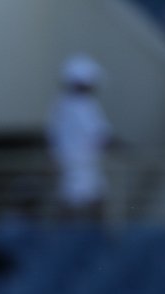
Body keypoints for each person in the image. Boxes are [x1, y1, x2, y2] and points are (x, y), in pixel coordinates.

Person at [48, 54, 113, 221]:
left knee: (70, 205)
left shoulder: (60, 105)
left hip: (68, 165)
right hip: (83, 166)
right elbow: (101, 135)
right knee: (91, 207)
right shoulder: (82, 105)